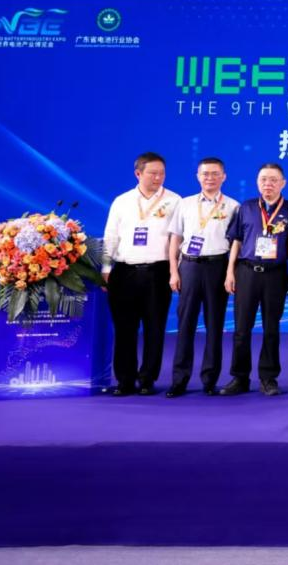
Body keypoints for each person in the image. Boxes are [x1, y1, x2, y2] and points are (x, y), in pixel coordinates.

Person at [101, 152, 181, 396]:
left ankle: (147, 379)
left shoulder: (175, 201)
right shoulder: (122, 201)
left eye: (162, 173)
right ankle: (124, 379)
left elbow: (179, 239)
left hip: (158, 271)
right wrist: (106, 268)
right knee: (125, 328)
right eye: (152, 173)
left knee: (154, 327)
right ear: (138, 173)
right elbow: (110, 236)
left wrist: (175, 270)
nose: (158, 177)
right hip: (125, 271)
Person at [166, 157, 239, 397]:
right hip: (189, 266)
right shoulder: (185, 204)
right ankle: (179, 379)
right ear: (198, 176)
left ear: (223, 177)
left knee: (215, 325)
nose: (210, 178)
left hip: (217, 267)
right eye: (205, 174)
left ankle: (210, 379)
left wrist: (230, 272)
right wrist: (173, 271)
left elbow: (235, 244)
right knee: (185, 324)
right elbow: (175, 238)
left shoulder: (233, 206)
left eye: (215, 174)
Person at [221, 163, 288, 396]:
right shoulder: (247, 207)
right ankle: (239, 377)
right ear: (257, 182)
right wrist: (230, 271)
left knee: (271, 328)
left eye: (273, 180)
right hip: (247, 272)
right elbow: (236, 240)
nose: (268, 184)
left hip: (275, 274)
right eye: (263, 179)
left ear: (283, 183)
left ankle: (268, 378)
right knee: (242, 328)